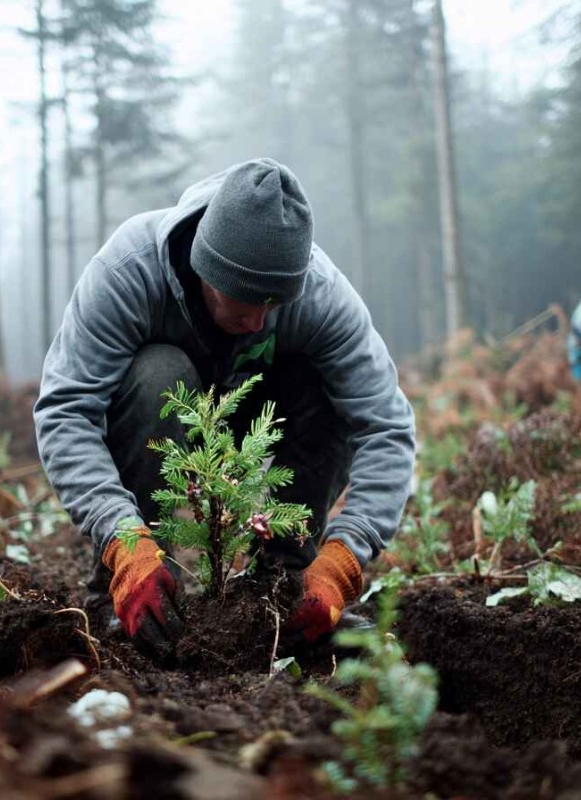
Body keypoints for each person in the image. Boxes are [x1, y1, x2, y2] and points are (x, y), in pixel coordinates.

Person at [33, 158, 416, 654]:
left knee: (324, 385)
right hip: (159, 414)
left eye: (272, 305)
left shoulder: (320, 294)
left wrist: (346, 554)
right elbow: (66, 410)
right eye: (243, 301)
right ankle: (130, 592)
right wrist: (121, 540)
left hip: (260, 409)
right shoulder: (129, 270)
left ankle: (282, 590)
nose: (258, 322)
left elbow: (386, 424)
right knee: (158, 373)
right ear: (203, 267)